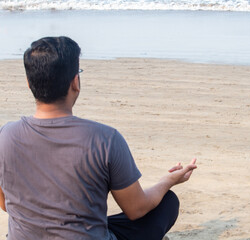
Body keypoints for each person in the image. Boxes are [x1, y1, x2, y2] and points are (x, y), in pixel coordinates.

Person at [0, 36, 197, 240]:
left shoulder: (4, 136)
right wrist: (168, 180)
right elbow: (136, 209)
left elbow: (7, 204)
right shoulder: (105, 139)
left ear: (29, 83)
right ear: (75, 82)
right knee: (167, 203)